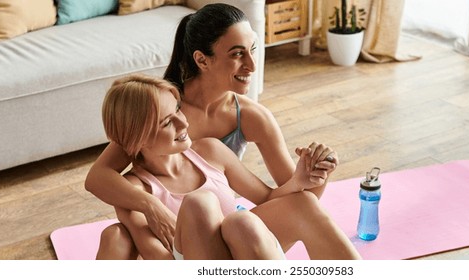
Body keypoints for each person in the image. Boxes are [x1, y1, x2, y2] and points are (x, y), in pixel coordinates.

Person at [85, 3, 337, 258]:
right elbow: (98, 177)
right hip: (186, 239)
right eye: (237, 54)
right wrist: (150, 206)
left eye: (253, 50)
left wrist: (313, 175)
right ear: (202, 60)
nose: (252, 65)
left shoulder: (247, 119)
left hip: (235, 229)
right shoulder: (160, 106)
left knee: (272, 211)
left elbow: (288, 199)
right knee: (121, 233)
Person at [95, 74, 360, 260]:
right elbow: (158, 257)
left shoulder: (209, 150)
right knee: (201, 203)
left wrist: (300, 182)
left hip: (249, 252)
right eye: (167, 123)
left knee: (296, 206)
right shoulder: (133, 189)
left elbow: (268, 199)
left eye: (178, 110)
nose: (183, 123)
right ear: (137, 138)